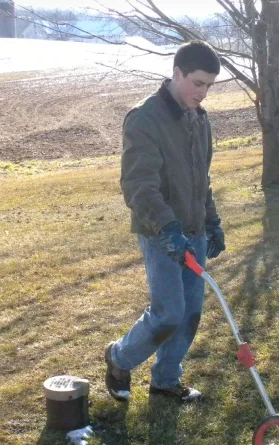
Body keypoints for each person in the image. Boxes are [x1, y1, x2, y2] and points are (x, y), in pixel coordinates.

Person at [104, 40, 225, 403]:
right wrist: (169, 229)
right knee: (168, 313)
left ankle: (166, 381)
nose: (203, 93)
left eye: (209, 86)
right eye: (198, 83)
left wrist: (212, 222)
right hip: (160, 232)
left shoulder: (199, 119)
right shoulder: (146, 117)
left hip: (195, 231)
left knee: (190, 314)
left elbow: (201, 178)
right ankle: (118, 357)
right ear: (177, 74)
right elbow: (138, 184)